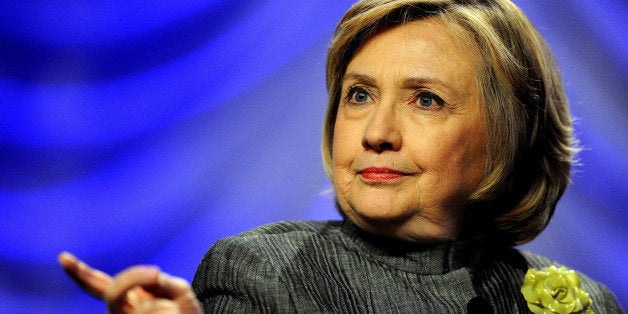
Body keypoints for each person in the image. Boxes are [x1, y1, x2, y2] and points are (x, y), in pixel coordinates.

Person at [59, 0, 623, 312]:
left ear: (508, 133)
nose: (377, 133)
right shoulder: (261, 273)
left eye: (425, 100)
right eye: (359, 95)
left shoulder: (590, 303)